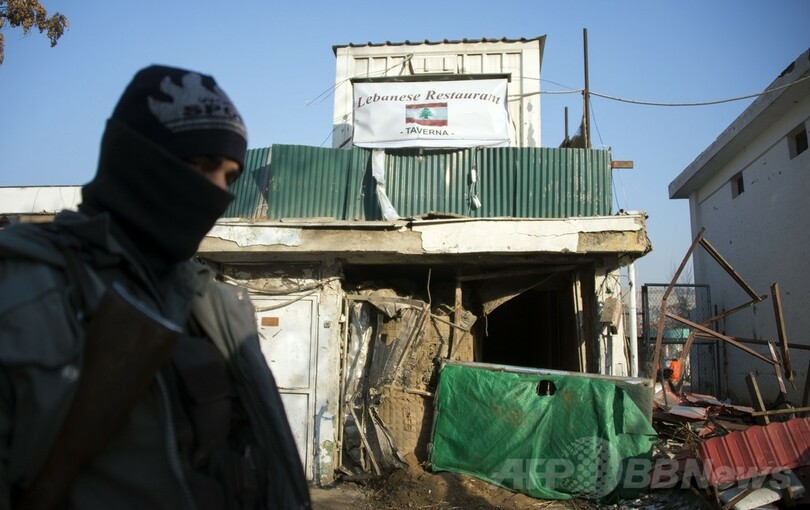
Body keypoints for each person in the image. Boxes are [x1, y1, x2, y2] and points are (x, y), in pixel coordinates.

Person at [0, 65, 312, 509]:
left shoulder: (212, 305)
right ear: (137, 160)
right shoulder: (27, 285)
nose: (218, 192)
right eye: (201, 166)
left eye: (230, 177)